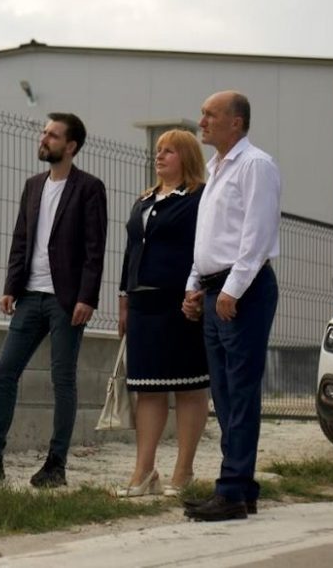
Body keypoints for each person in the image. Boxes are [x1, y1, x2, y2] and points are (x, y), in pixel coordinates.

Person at [0, 112, 108, 488]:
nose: (44, 138)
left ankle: (56, 464)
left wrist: (87, 297)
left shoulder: (89, 188)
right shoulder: (33, 185)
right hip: (30, 296)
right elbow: (21, 238)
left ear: (70, 145)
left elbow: (95, 248)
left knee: (62, 379)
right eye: (44, 132)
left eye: (52, 135)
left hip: (66, 301)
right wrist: (11, 286)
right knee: (5, 371)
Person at [181, 91, 281, 521]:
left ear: (235, 122)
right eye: (202, 114)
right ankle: (242, 488)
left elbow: (257, 235)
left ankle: (232, 490)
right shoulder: (216, 168)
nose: (201, 121)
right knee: (223, 394)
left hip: (242, 292)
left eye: (210, 115)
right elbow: (208, 238)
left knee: (240, 393)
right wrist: (194, 286)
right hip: (214, 290)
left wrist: (232, 290)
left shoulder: (256, 165)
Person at [115, 129, 209, 498]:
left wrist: (199, 292)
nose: (160, 156)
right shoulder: (144, 200)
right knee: (148, 390)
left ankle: (183, 472)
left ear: (187, 157)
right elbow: (130, 253)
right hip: (143, 305)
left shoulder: (199, 198)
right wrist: (124, 299)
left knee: (188, 387)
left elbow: (206, 248)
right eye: (158, 150)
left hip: (180, 304)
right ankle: (144, 472)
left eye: (169, 151)